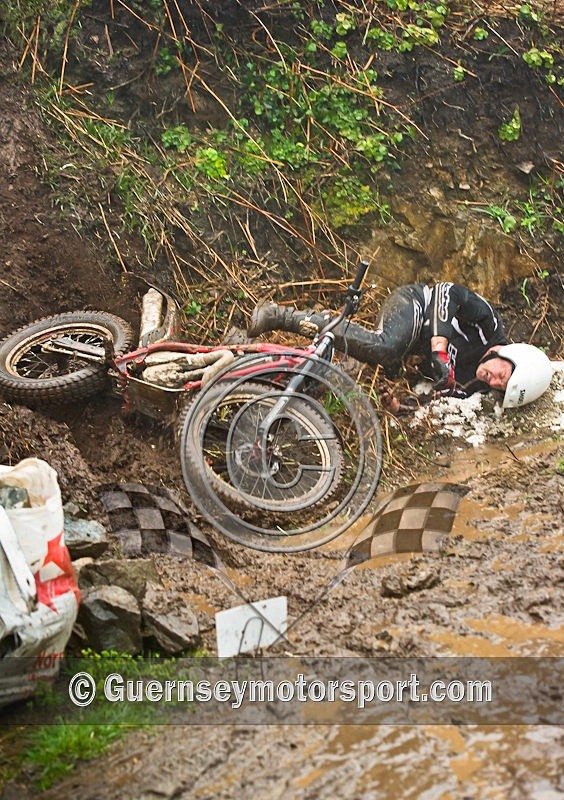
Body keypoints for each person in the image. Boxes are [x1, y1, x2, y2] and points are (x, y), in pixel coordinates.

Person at [247, 281, 554, 408]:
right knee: (387, 346)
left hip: (409, 352)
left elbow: (436, 401)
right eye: (504, 375)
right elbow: (448, 291)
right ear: (510, 355)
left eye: (500, 388)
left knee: (389, 364)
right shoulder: (489, 326)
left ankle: (305, 365)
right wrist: (439, 347)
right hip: (415, 303)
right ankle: (280, 315)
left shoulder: (474, 386)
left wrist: (403, 406)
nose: (495, 381)